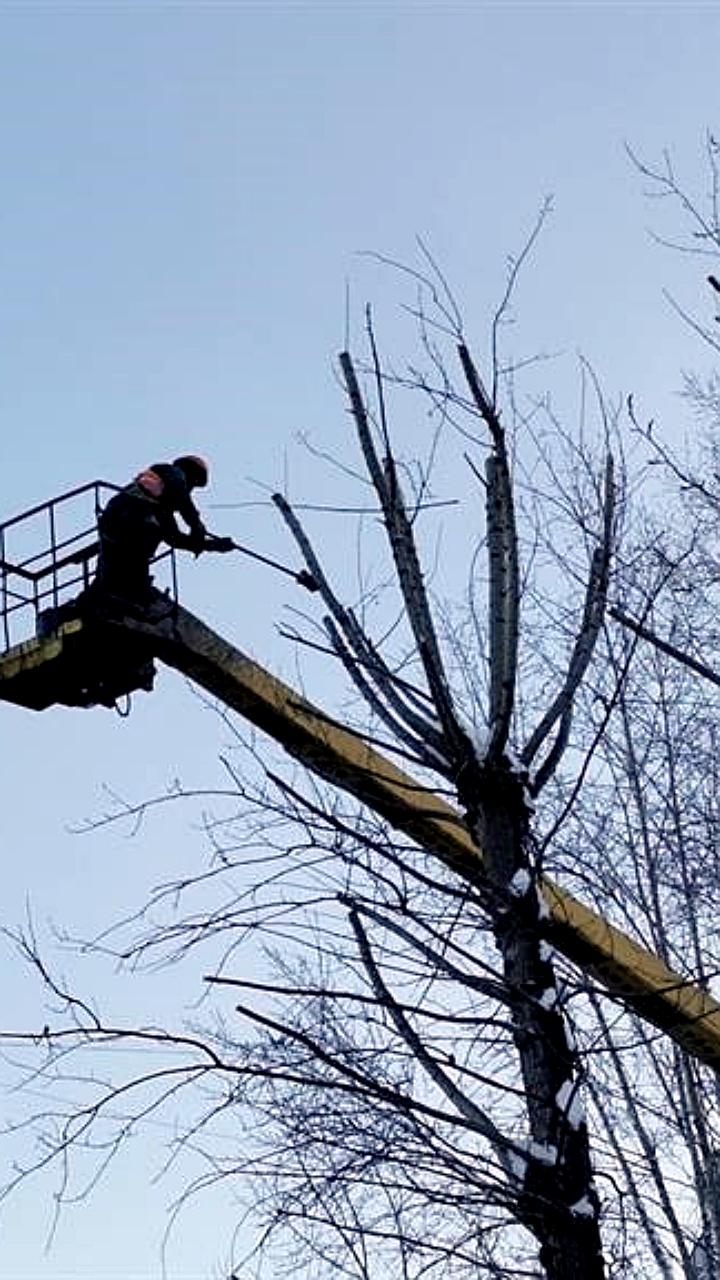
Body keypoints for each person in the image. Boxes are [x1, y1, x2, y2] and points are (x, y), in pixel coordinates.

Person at [93, 454, 232, 606]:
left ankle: (96, 596)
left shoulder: (159, 507)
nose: (191, 490)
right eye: (193, 484)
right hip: (130, 518)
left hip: (115, 526)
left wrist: (209, 545)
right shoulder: (171, 472)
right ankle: (134, 591)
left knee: (112, 567)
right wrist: (196, 525)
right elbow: (182, 497)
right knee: (141, 546)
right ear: (190, 473)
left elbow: (173, 538)